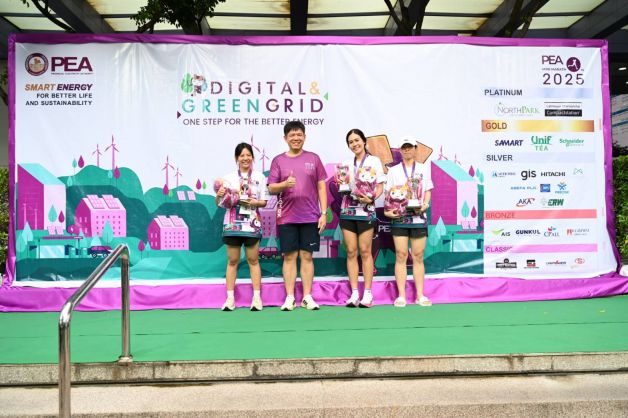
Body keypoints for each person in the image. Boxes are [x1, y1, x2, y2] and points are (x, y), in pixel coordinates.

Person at [267, 121, 328, 311]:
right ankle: (290, 297)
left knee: (307, 256)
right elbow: (271, 188)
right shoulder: (278, 160)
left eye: (299, 134)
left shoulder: (314, 158)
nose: (296, 138)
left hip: (310, 216)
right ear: (285, 138)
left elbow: (321, 187)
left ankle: (307, 297)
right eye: (292, 135)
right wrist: (284, 185)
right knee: (289, 257)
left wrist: (323, 213)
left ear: (304, 137)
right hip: (286, 217)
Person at [216, 143, 268, 311]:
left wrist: (254, 202)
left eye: (248, 155)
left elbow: (264, 202)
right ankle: (230, 299)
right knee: (233, 261)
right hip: (232, 225)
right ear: (236, 158)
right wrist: (219, 195)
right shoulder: (228, 178)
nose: (245, 158)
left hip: (252, 225)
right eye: (242, 155)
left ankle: (257, 298)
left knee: (253, 260)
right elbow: (219, 203)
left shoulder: (260, 177)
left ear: (252, 157)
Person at [337, 129, 385, 307]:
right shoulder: (346, 164)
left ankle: (368, 293)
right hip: (347, 211)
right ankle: (354, 293)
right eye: (351, 142)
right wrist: (341, 184)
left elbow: (380, 186)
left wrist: (371, 198)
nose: (354, 144)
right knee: (351, 252)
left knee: (365, 251)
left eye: (357, 140)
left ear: (364, 141)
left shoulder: (374, 161)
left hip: (366, 211)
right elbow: (342, 185)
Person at [383, 137, 433, 308]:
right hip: (400, 218)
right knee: (401, 255)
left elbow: (427, 190)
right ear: (400, 150)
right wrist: (388, 211)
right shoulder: (393, 171)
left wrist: (425, 204)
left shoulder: (424, 168)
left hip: (418, 217)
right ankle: (401, 295)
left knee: (418, 256)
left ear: (415, 148)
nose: (407, 150)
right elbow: (388, 195)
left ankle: (420, 295)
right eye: (404, 147)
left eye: (410, 147)